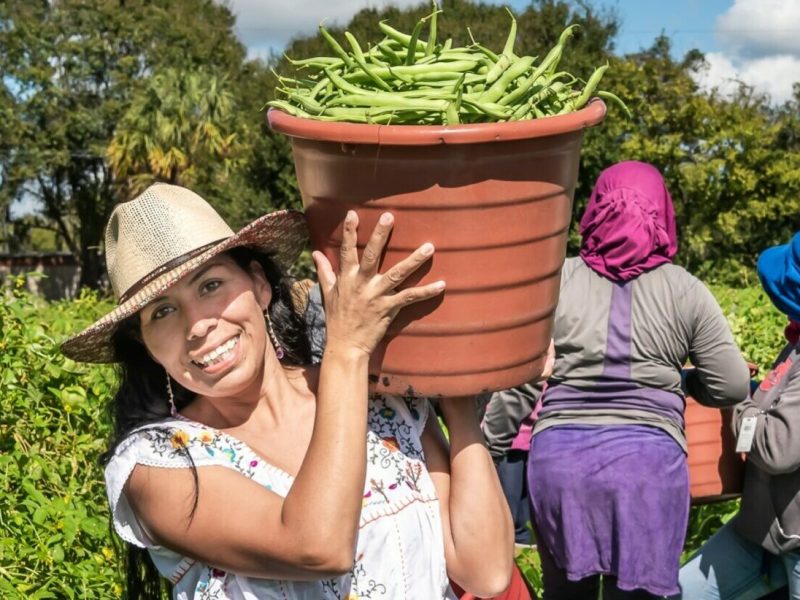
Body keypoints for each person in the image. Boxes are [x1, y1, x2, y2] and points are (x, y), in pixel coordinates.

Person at [60, 183, 516, 599]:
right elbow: (317, 546)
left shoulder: (383, 403)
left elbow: (485, 572)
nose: (198, 325)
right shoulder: (159, 464)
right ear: (145, 344)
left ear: (259, 286)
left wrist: (457, 398)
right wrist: (349, 348)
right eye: (162, 312)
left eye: (212, 285)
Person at [524, 161, 751, 599]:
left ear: (595, 210)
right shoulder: (685, 289)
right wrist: (684, 384)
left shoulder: (557, 281)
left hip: (560, 465)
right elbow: (733, 386)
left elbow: (520, 374)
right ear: (662, 213)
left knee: (566, 593)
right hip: (647, 467)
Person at [677, 231, 800, 599]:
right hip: (759, 533)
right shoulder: (793, 348)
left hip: (794, 543)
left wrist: (735, 398)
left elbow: (779, 448)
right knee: (682, 592)